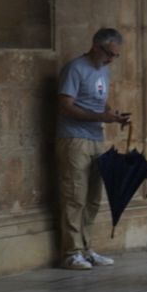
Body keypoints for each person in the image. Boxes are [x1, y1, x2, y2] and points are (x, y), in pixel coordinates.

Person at [55, 28, 131, 270]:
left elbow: (99, 101)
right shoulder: (75, 68)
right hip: (74, 138)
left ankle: (87, 248)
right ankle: (72, 251)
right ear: (96, 47)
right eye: (109, 54)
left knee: (94, 198)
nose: (111, 60)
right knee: (75, 195)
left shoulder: (103, 71)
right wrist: (100, 116)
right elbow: (65, 105)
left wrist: (113, 116)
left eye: (115, 56)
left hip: (96, 137)